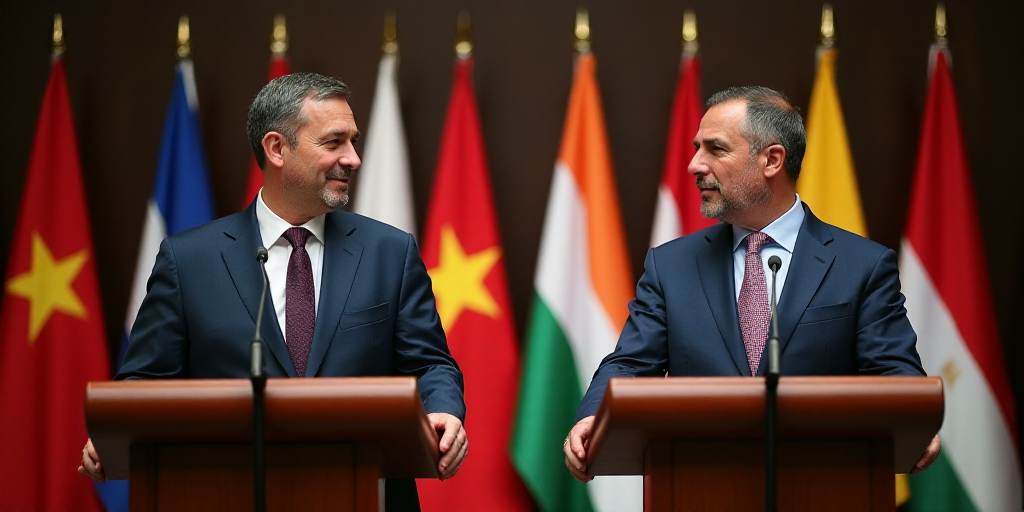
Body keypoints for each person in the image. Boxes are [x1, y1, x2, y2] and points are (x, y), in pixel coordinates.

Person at [79, 73, 468, 510]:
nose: (353, 158)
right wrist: (116, 432)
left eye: (354, 142)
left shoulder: (390, 252)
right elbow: (145, 381)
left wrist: (443, 408)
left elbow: (430, 363)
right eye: (334, 142)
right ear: (277, 148)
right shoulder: (188, 261)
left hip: (368, 493)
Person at [563, 86, 940, 482]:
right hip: (701, 485)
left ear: (772, 160)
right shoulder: (670, 266)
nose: (694, 165)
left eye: (716, 149)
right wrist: (593, 416)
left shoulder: (862, 265)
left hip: (821, 484)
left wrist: (913, 419)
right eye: (696, 148)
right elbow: (631, 363)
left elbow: (892, 368)